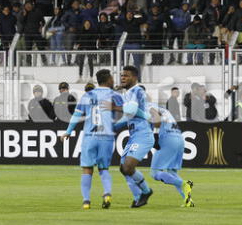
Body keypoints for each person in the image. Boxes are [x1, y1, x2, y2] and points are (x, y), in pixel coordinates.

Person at [61, 69, 123, 209]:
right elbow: (128, 111)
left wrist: (68, 132)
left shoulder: (87, 95)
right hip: (106, 137)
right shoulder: (114, 95)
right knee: (104, 168)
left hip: (90, 136)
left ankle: (86, 201)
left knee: (87, 169)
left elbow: (76, 116)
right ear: (108, 80)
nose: (113, 80)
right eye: (112, 78)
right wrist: (115, 125)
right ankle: (107, 193)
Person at [114, 66, 154, 208]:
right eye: (122, 75)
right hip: (134, 135)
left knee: (129, 166)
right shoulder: (129, 93)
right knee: (123, 168)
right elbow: (127, 117)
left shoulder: (137, 90)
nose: (123, 78)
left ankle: (146, 192)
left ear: (135, 78)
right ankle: (140, 195)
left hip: (142, 134)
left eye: (126, 76)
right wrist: (114, 127)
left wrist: (115, 107)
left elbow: (130, 111)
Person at [148, 103, 194, 207]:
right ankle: (188, 200)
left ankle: (184, 183)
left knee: (154, 172)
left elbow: (157, 119)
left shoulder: (147, 107)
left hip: (167, 139)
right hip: (179, 138)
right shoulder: (162, 109)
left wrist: (155, 136)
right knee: (172, 171)